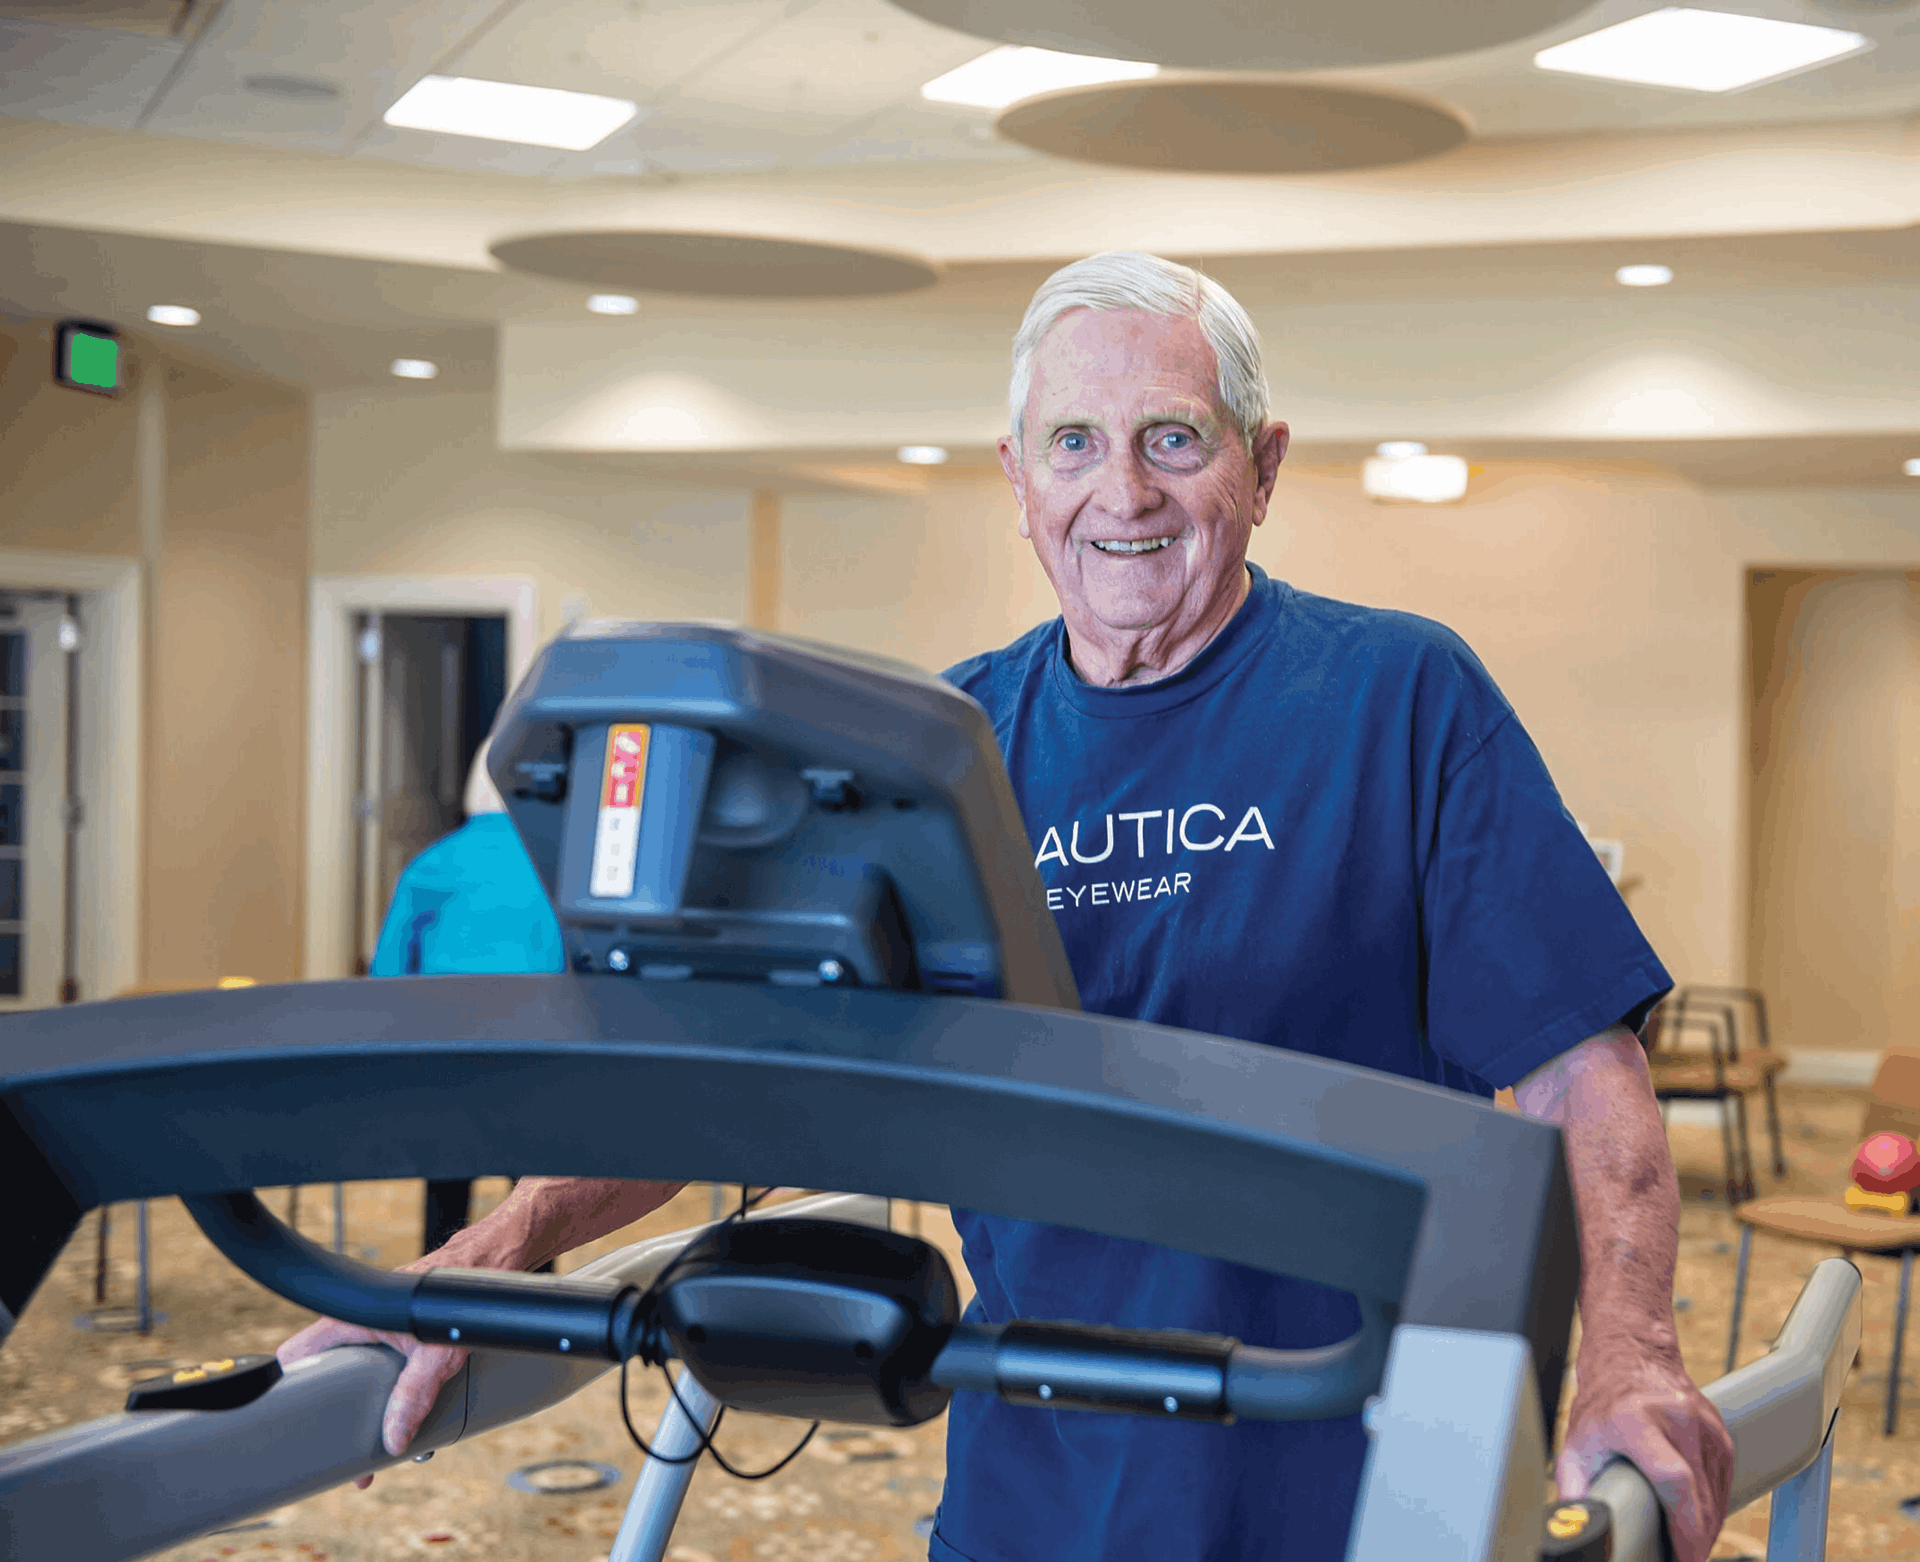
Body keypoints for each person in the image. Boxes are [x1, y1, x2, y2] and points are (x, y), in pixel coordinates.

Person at [281, 252, 1733, 1560]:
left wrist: (1632, 1351)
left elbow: (1575, 1069)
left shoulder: (1401, 696)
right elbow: (751, 1075)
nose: (1127, 491)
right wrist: (504, 1240)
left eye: (1177, 437)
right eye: (1076, 444)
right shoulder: (941, 747)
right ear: (1018, 479)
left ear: (1263, 464)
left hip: (1361, 1457)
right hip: (1041, 1457)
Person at [368, 740, 565, 1256]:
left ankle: (439, 1291)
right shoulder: (560, 869)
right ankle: (541, 1308)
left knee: (446, 1183)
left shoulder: (430, 865)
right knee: (534, 1197)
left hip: (450, 1052)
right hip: (538, 1051)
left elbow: (386, 976)